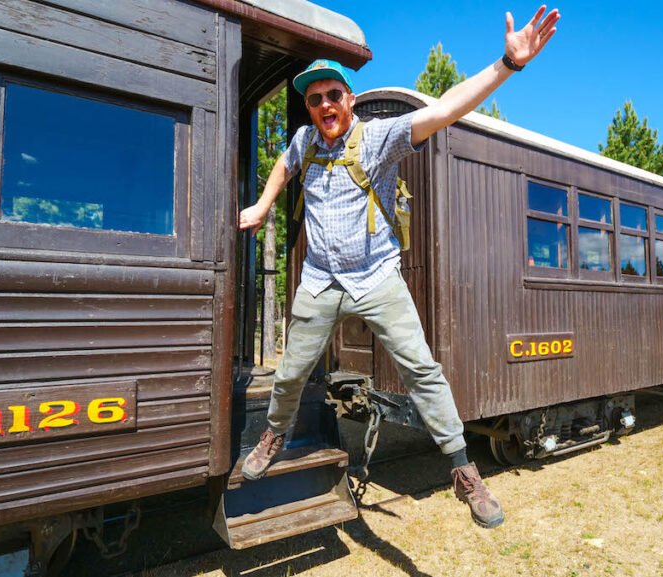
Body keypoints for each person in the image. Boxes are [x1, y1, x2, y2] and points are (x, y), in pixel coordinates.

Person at [238, 5, 561, 529]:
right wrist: (263, 204)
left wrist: (508, 63)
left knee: (422, 371)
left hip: (377, 277)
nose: (324, 104)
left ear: (349, 100)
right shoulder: (303, 142)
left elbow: (447, 108)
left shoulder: (381, 138)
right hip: (320, 280)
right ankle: (273, 436)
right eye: (314, 98)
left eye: (332, 95)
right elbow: (284, 163)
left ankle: (463, 470)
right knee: (291, 371)